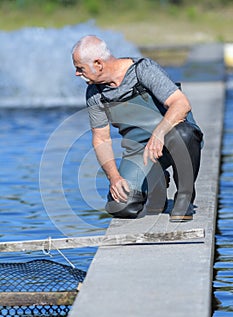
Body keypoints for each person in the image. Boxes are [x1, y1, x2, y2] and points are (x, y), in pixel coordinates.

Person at [72, 35, 203, 222]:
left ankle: (185, 196)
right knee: (122, 206)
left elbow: (181, 104)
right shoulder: (94, 94)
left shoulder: (143, 70)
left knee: (184, 134)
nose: (77, 73)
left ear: (98, 64)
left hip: (173, 139)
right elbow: (101, 139)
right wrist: (114, 178)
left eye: (80, 68)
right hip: (139, 153)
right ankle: (157, 181)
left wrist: (158, 134)